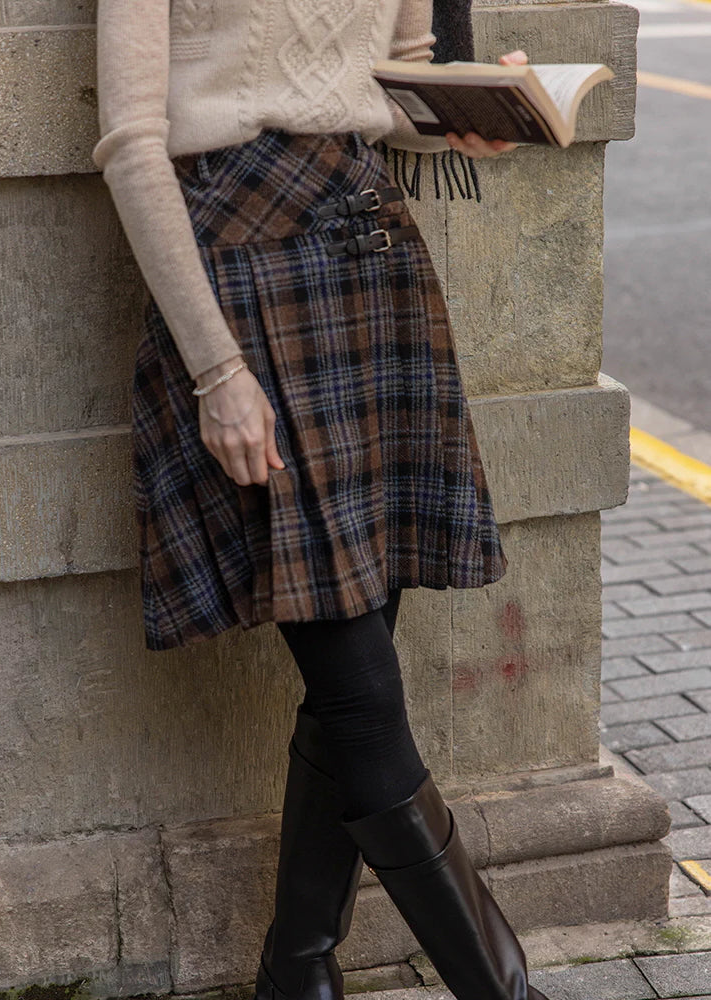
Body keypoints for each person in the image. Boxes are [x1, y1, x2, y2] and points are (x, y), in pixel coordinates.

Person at [93, 2, 548, 998]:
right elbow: (132, 144)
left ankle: (296, 969)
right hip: (240, 277)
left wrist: (474, 114)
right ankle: (504, 986)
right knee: (367, 704)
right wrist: (216, 372)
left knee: (353, 686)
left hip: (370, 258)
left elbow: (394, 81)